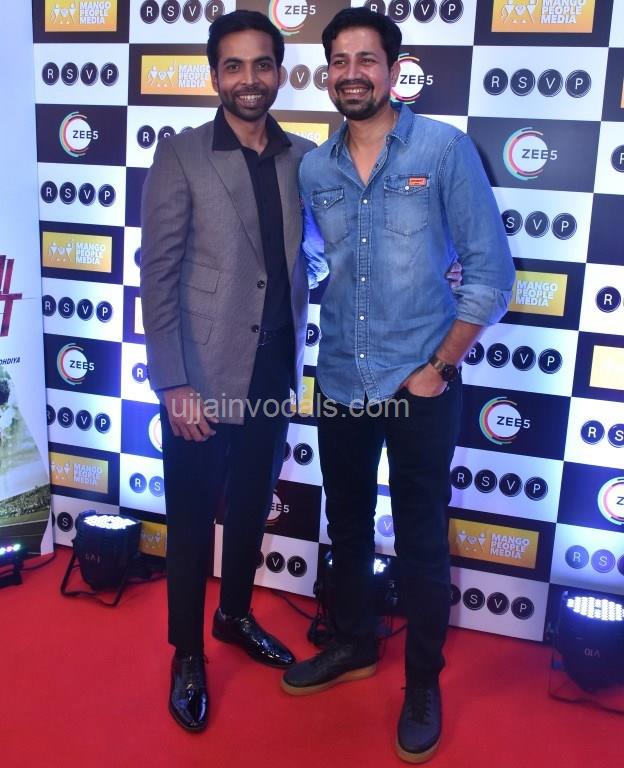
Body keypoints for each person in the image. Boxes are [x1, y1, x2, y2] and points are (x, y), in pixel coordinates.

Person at [281, 8, 516, 764]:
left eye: (366, 60)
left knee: (419, 538)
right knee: (347, 527)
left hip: (422, 383)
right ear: (327, 73)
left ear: (393, 69)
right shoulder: (314, 170)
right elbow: (318, 261)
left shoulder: (443, 150)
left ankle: (422, 683)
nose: (352, 73)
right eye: (339, 61)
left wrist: (438, 367)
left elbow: (492, 274)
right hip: (340, 379)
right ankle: (354, 642)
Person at [139, 10, 315, 733]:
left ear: (280, 72)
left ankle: (234, 616)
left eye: (261, 64)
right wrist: (172, 383)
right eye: (234, 66)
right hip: (202, 380)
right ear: (215, 75)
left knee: (249, 508)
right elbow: (158, 275)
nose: (249, 79)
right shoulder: (181, 155)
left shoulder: (306, 157)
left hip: (274, 370)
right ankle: (187, 651)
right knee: (189, 522)